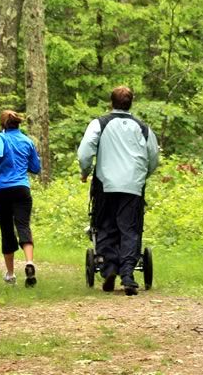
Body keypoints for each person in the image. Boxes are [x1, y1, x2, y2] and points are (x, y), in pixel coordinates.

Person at [77, 86, 159, 296]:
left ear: (110, 102)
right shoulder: (144, 128)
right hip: (133, 186)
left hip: (106, 184)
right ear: (131, 103)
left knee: (105, 225)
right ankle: (128, 275)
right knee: (130, 229)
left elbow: (85, 151)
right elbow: (153, 159)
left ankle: (109, 268)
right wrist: (141, 177)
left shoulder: (100, 124)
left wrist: (85, 171)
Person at [0, 110, 41, 287]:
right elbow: (36, 167)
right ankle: (29, 262)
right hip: (21, 188)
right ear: (18, 123)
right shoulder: (28, 141)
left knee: (7, 229)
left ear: (3, 124)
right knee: (23, 225)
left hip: (2, 189)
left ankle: (11, 275)